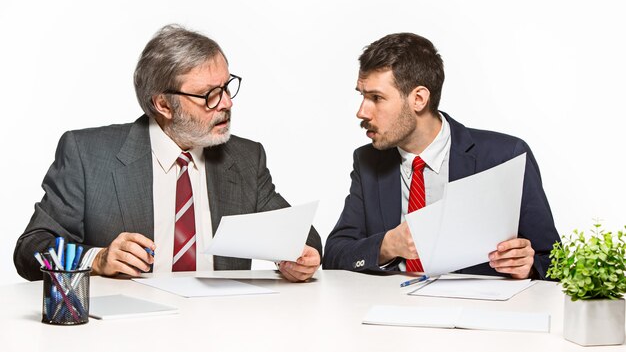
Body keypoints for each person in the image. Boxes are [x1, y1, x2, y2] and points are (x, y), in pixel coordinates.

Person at [14, 24, 322, 282]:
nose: (227, 103)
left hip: (223, 327)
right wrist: (97, 259)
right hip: (127, 331)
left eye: (227, 87)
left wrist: (298, 258)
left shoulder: (244, 158)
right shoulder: (87, 155)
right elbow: (31, 249)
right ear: (163, 105)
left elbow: (303, 238)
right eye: (209, 95)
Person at [323, 33, 559, 279]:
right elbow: (334, 255)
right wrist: (388, 244)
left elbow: (553, 261)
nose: (362, 112)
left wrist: (528, 265)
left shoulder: (505, 156)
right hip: (390, 308)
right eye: (362, 95)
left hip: (475, 311)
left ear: (419, 99)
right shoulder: (368, 161)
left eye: (376, 98)